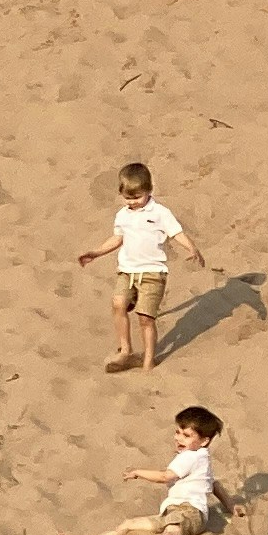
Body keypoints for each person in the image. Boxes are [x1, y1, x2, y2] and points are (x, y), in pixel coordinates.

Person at [63, 405, 235, 535]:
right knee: (129, 524)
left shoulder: (189, 458)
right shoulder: (202, 458)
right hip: (173, 512)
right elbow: (213, 484)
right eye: (177, 432)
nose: (179, 438)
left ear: (204, 441)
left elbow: (165, 477)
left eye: (187, 435)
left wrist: (138, 473)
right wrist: (232, 507)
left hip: (189, 513)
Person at [75, 161, 209, 375]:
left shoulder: (160, 212)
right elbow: (117, 239)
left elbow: (176, 233)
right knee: (118, 304)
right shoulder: (123, 215)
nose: (133, 202)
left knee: (145, 318)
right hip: (127, 271)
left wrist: (191, 248)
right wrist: (96, 253)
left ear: (149, 191)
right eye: (128, 198)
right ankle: (125, 349)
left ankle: (148, 360)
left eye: (137, 197)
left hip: (153, 273)